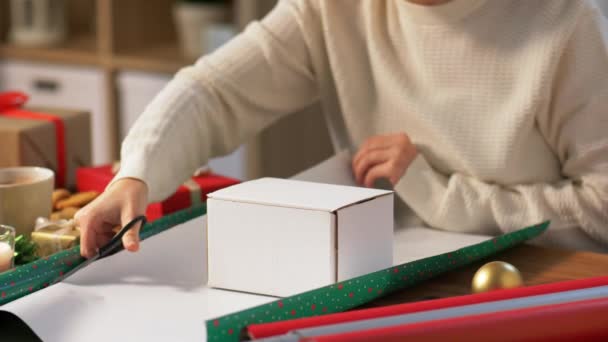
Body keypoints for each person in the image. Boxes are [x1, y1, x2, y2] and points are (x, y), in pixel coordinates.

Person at [76, 0, 608, 258]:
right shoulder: (334, 7)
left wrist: (440, 195)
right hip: (380, 276)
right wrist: (137, 175)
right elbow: (215, 91)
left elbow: (601, 210)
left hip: (534, 289)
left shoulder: (567, 23)